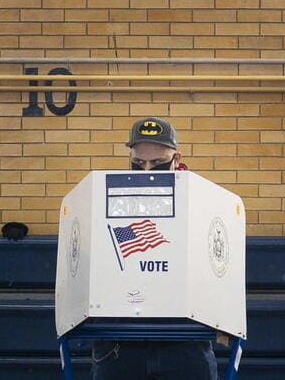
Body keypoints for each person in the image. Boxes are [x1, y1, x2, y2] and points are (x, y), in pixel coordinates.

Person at [91, 117, 218, 380]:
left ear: (177, 158)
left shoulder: (203, 202)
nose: (147, 170)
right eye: (138, 164)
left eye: (158, 163)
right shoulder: (107, 201)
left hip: (184, 339)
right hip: (120, 340)